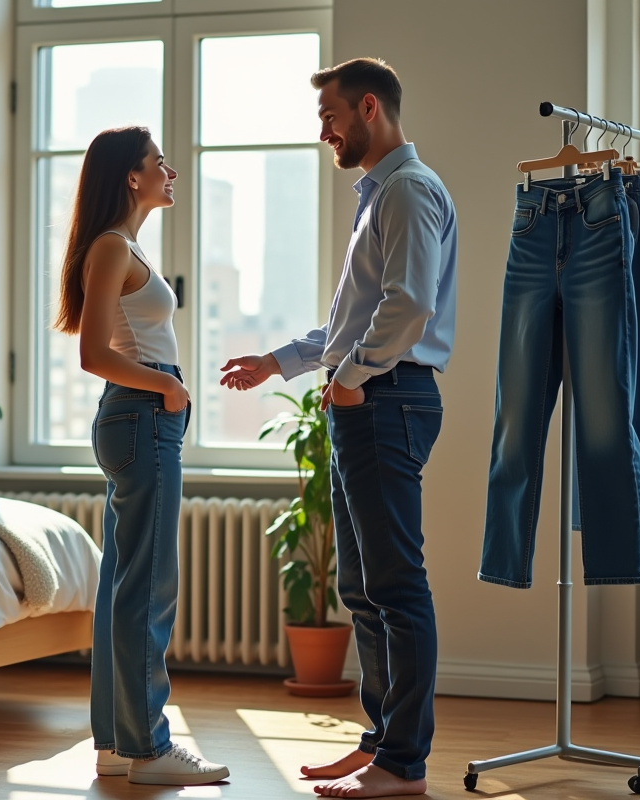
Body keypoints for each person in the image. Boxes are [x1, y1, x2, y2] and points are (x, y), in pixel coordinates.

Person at [220, 58, 457, 798]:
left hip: (386, 400)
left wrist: (350, 380)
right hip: (368, 399)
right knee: (362, 587)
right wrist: (281, 361)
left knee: (396, 586)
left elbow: (409, 305)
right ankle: (382, 742)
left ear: (368, 109)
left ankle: (403, 765)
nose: (322, 130)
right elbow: (354, 319)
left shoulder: (409, 191)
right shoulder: (380, 194)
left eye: (329, 116)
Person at [54, 127, 229, 786]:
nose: (171, 170)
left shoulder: (123, 249)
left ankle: (118, 741)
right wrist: (168, 385)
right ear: (133, 177)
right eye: (160, 162)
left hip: (142, 421)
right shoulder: (110, 248)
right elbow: (94, 353)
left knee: (126, 584)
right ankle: (149, 748)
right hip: (142, 418)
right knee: (148, 585)